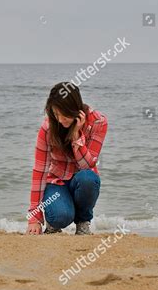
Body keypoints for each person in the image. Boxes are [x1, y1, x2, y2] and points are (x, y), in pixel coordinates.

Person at [26, 82, 108, 235]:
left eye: (64, 115)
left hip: (82, 180)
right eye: (56, 114)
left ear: (75, 109)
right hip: (57, 182)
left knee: (88, 178)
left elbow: (87, 165)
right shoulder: (48, 127)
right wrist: (34, 217)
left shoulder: (98, 122)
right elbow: (40, 171)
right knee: (61, 217)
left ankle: (83, 222)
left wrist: (76, 136)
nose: (60, 120)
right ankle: (56, 217)